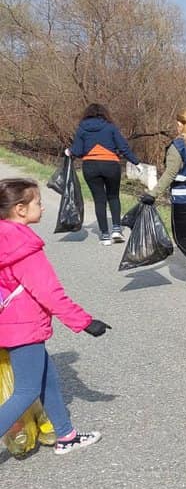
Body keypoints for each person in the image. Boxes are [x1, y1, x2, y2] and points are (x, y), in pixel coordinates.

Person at [0, 179, 109, 454]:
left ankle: (66, 435)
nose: (43, 208)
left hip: (12, 324)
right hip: (23, 327)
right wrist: (84, 322)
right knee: (25, 392)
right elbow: (49, 293)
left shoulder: (4, 238)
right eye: (37, 203)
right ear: (20, 209)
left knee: (46, 377)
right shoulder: (22, 247)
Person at [142, 108, 186, 288]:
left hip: (185, 200)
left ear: (184, 126)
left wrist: (152, 194)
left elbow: (170, 174)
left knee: (181, 240)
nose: (176, 128)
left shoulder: (178, 147)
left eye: (178, 124)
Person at [68, 103, 141, 246]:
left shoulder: (82, 128)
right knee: (113, 196)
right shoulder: (110, 127)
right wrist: (136, 162)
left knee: (99, 200)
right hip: (110, 165)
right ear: (104, 114)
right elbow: (123, 147)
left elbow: (76, 150)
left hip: (90, 167)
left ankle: (105, 235)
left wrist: (68, 152)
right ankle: (116, 230)